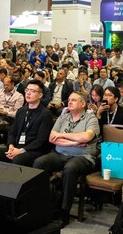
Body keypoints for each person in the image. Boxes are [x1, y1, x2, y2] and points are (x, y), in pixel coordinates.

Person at [33, 92, 100, 228]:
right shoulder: (63, 117)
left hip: (83, 157)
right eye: (69, 100)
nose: (69, 102)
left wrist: (62, 136)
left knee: (70, 168)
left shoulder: (90, 118)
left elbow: (86, 137)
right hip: (60, 154)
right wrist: (74, 142)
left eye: (73, 100)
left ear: (83, 104)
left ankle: (64, 211)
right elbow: (52, 138)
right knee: (39, 162)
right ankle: (46, 202)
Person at [0, 79, 53, 166]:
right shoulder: (21, 111)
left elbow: (41, 140)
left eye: (32, 91)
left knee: (18, 159)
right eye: (27, 90)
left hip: (33, 150)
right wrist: (11, 146)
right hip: (16, 147)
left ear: (40, 95)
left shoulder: (46, 114)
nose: (28, 93)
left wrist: (21, 150)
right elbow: (12, 131)